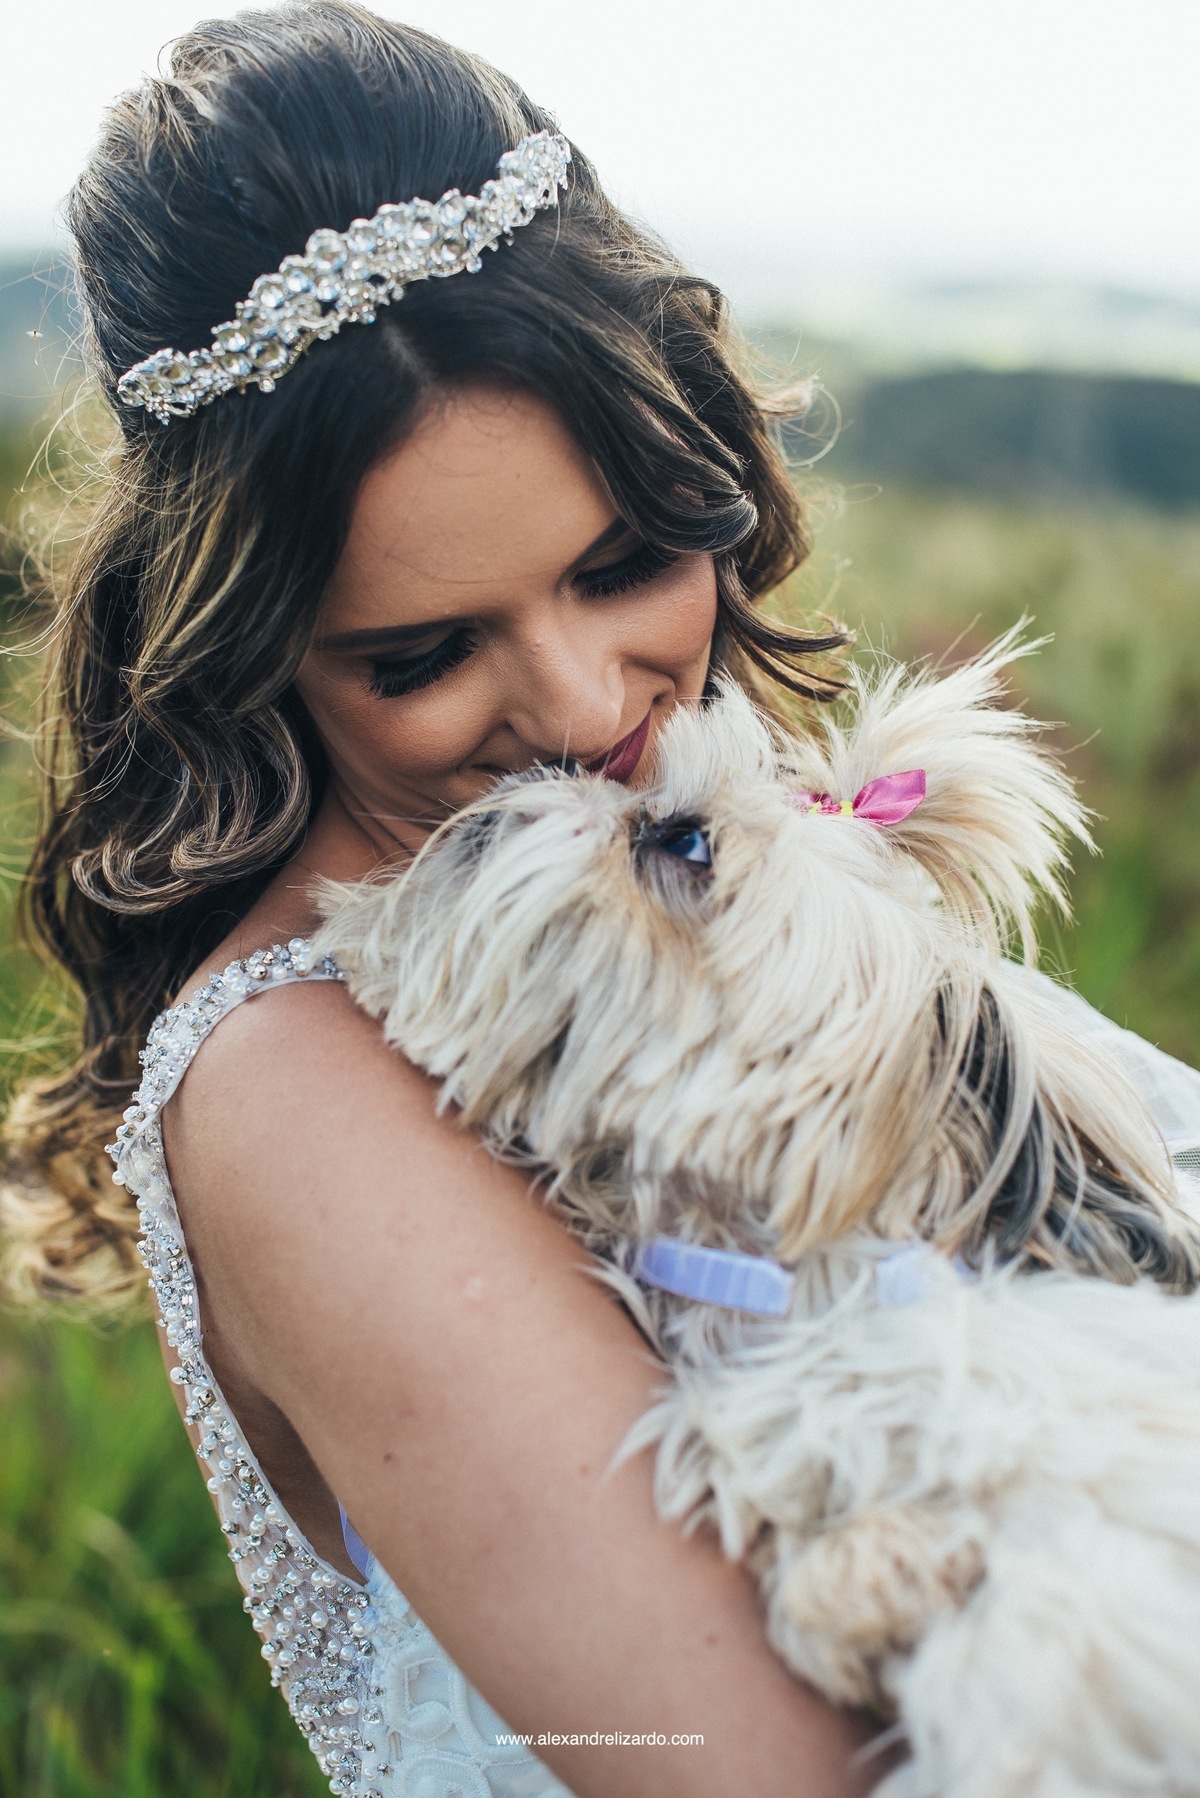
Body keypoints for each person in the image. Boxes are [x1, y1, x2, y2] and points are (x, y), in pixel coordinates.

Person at [6, 7, 1199, 1798]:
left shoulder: (711, 834)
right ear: (249, 653)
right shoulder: (303, 1092)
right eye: (420, 653)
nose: (581, 712)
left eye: (627, 563)